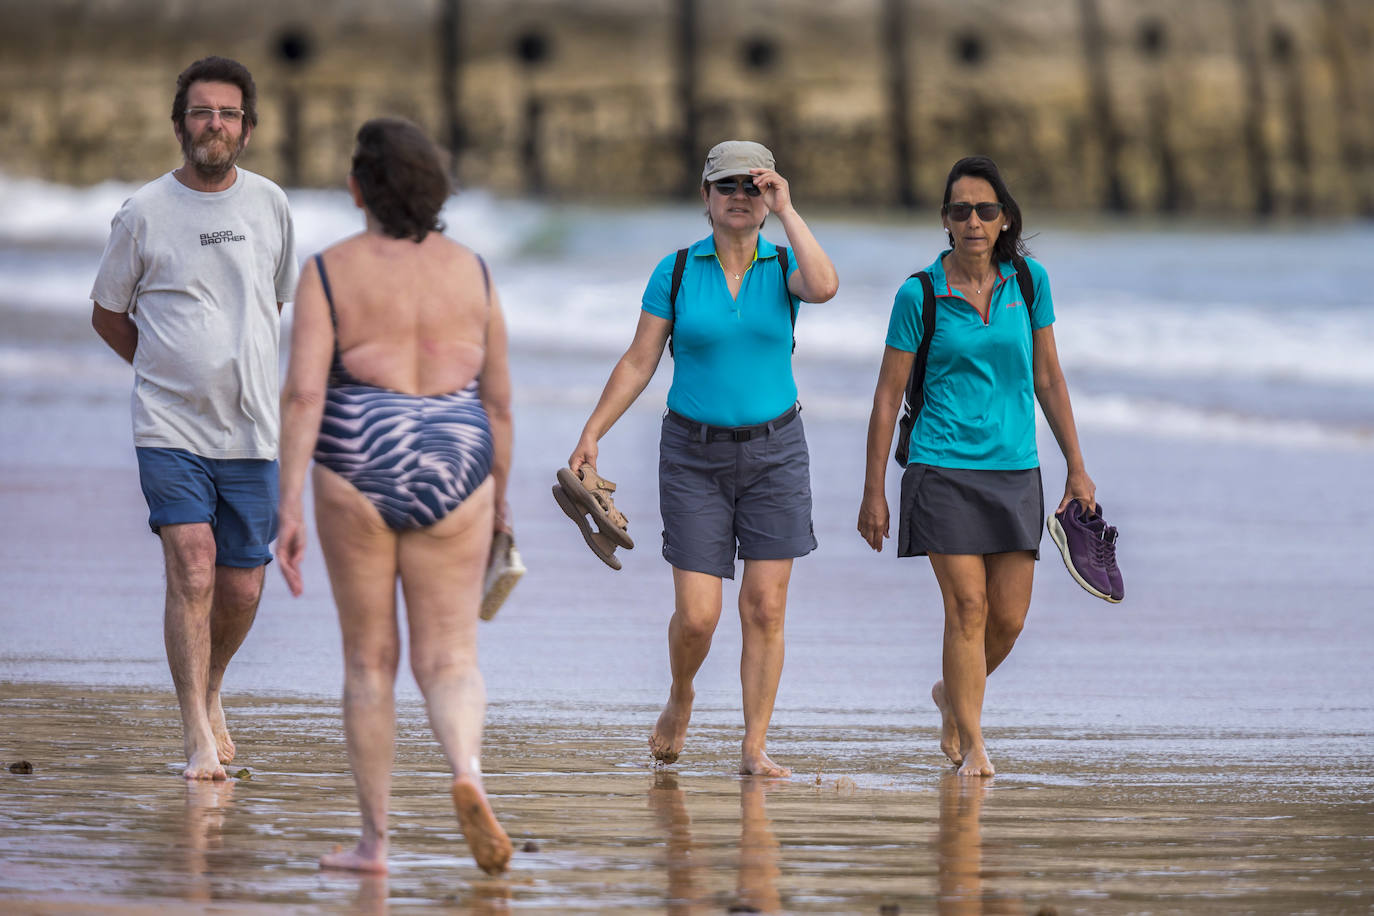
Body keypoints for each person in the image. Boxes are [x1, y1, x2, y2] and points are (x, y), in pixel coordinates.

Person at [276, 117, 513, 875]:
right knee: (451, 656)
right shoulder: (473, 271)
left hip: (359, 452)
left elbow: (304, 395)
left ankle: (375, 843)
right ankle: (468, 772)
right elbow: (500, 402)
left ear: (357, 189)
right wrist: (499, 499)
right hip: (458, 455)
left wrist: (286, 505)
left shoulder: (328, 270)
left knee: (370, 661)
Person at [568, 140, 838, 778]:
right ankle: (681, 694)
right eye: (727, 188)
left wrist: (790, 210)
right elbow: (640, 360)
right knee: (699, 615)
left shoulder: (783, 265)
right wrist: (592, 432)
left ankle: (753, 746)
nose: (740, 198)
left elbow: (824, 286)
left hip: (778, 453)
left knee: (765, 607)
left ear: (768, 196)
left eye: (753, 187)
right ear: (705, 197)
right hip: (693, 455)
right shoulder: (678, 270)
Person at [90, 56, 298, 781]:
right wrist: (164, 372)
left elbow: (271, 308)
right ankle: (195, 735)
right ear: (179, 124)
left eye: (230, 114)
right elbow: (108, 313)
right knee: (194, 564)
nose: (216, 124)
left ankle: (212, 690)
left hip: (251, 431)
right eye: (203, 112)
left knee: (242, 585)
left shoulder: (271, 205)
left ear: (248, 128)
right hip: (168, 428)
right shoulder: (144, 212)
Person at [857, 155, 1096, 778]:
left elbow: (1047, 375)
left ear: (1004, 219)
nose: (973, 221)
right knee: (967, 608)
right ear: (945, 219)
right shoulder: (918, 294)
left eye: (985, 210)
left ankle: (951, 699)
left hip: (1016, 469)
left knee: (1009, 619)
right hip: (941, 469)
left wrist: (1077, 465)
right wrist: (874, 490)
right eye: (960, 210)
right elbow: (888, 396)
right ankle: (974, 743)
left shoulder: (1029, 282)